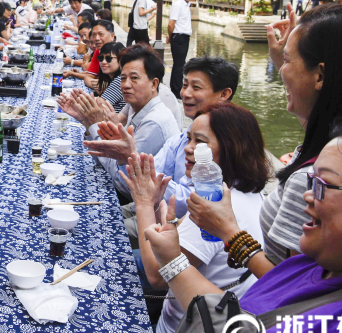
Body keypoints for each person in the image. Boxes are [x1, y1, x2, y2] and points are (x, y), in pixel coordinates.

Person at [145, 116, 342, 333]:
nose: (306, 195)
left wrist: (145, 204)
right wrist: (173, 259)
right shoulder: (307, 266)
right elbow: (239, 324)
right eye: (311, 181)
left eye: (325, 185)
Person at [191, 4, 342, 279]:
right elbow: (320, 110)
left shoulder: (316, 180)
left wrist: (229, 232)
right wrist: (289, 58)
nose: (281, 72)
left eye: (288, 62)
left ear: (321, 76)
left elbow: (292, 286)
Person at [123, 102, 270, 333]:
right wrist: (158, 207)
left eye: (200, 142)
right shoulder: (248, 192)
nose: (188, 149)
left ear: (233, 148)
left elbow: (157, 275)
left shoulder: (214, 207)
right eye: (188, 138)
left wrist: (144, 203)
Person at [86, 57, 239, 237]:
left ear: (224, 94)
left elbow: (187, 200)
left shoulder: (229, 141)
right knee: (91, 220)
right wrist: (126, 158)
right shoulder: (184, 136)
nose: (186, 94)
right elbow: (152, 176)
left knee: (99, 232)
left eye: (196, 88)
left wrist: (129, 158)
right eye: (184, 85)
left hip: (180, 230)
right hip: (153, 210)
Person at [68, 45, 181, 198]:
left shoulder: (154, 122)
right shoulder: (136, 105)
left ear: (154, 84)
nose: (126, 85)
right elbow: (106, 158)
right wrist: (87, 122)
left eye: (134, 78)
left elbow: (124, 184)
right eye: (123, 78)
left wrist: (94, 124)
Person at [65, 20, 114, 89]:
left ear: (112, 36)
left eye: (101, 34)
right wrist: (98, 87)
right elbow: (89, 76)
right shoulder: (98, 51)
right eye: (94, 35)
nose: (96, 38)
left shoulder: (118, 53)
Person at [167, 0, 195, 98]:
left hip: (183, 37)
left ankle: (175, 87)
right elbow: (171, 24)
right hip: (178, 37)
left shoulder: (187, 5)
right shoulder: (178, 5)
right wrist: (171, 36)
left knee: (179, 63)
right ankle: (176, 90)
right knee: (179, 64)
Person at [96, 41, 126, 113]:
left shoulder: (120, 80)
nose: (103, 62)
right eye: (101, 58)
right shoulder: (115, 78)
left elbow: (98, 105)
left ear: (121, 60)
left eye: (108, 58)